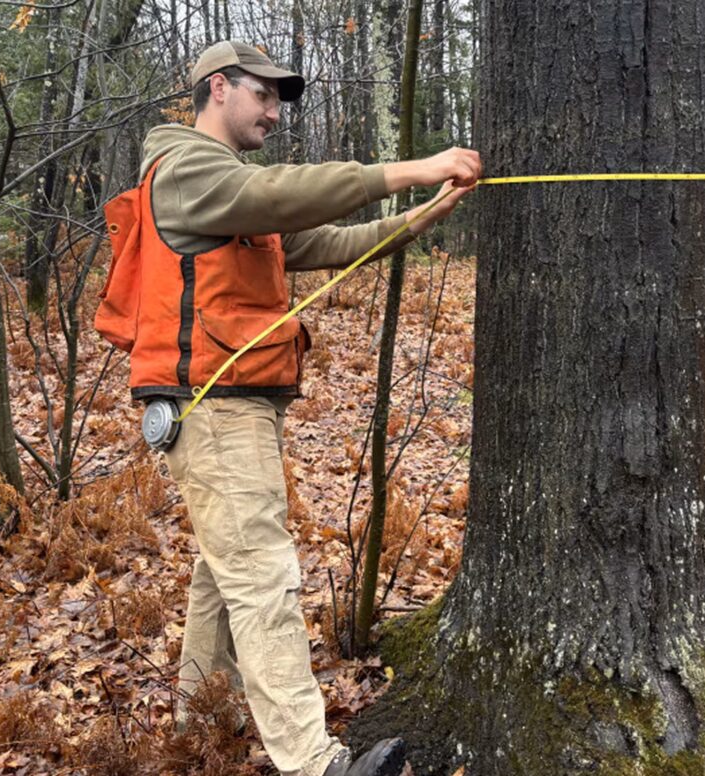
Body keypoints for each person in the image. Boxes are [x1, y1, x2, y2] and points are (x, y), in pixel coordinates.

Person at [133, 40, 480, 776]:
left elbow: (321, 240)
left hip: (233, 408)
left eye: (279, 99)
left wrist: (423, 214)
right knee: (261, 578)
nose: (275, 112)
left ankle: (196, 723)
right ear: (218, 89)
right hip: (212, 408)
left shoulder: (226, 187)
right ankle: (314, 764)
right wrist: (412, 168)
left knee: (224, 570)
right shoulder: (187, 171)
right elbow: (279, 195)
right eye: (263, 95)